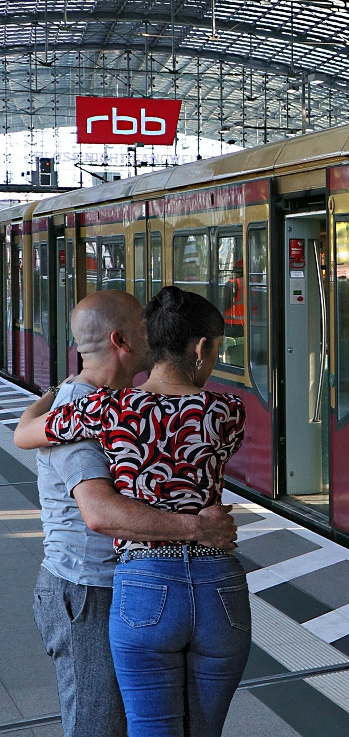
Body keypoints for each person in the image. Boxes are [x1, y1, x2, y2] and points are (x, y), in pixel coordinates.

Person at [17, 287, 249, 737]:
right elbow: (99, 512)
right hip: (168, 586)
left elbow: (24, 433)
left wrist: (59, 393)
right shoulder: (227, 409)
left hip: (139, 586)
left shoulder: (106, 409)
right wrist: (198, 527)